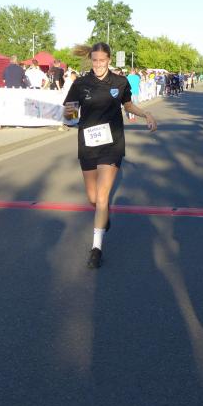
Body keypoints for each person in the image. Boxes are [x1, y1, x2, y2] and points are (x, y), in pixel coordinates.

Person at [63, 43, 157, 269]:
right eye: (94, 60)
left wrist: (146, 113)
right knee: (93, 198)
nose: (98, 65)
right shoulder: (80, 83)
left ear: (109, 60)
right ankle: (103, 217)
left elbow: (128, 105)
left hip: (112, 143)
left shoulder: (120, 82)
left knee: (103, 197)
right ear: (91, 60)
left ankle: (96, 248)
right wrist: (69, 117)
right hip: (87, 143)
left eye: (102, 60)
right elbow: (70, 112)